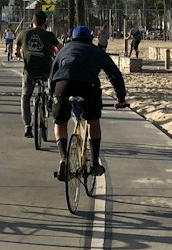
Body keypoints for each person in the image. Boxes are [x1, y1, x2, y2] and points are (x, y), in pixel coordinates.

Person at [50, 25, 128, 181]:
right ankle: (94, 164)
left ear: (72, 38)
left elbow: (52, 75)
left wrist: (52, 97)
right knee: (93, 121)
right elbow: (114, 75)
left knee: (60, 122)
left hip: (62, 84)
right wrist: (120, 99)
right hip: (88, 85)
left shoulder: (64, 50)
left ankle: (64, 158)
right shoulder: (96, 51)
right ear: (90, 38)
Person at [16, 11, 61, 138]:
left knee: (25, 97)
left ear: (32, 21)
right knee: (52, 84)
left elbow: (15, 50)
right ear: (44, 23)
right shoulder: (49, 35)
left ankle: (27, 126)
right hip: (46, 72)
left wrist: (19, 56)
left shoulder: (23, 34)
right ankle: (50, 102)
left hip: (29, 72)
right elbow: (60, 48)